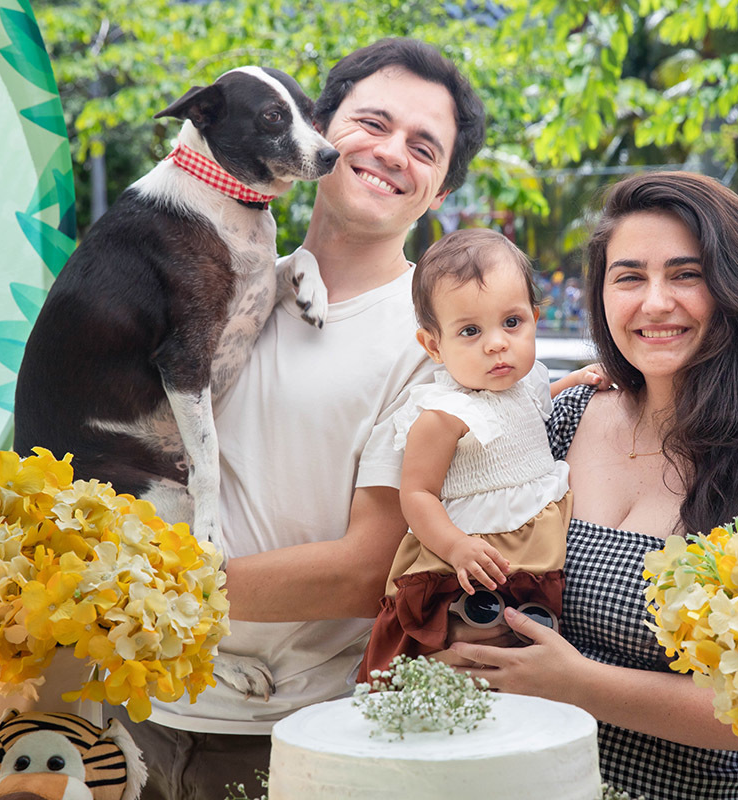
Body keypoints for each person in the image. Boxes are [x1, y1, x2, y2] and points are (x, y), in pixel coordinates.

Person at [104, 38, 486, 800]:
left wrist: (128, 594)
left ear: (440, 189)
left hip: (283, 738)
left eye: (423, 146)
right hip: (126, 710)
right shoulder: (202, 273)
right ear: (319, 124)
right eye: (370, 123)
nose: (388, 153)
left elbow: (361, 572)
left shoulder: (433, 346)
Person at [448, 171, 738, 800]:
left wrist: (580, 684)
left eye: (686, 274)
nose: (654, 302)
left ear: (736, 288)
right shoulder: (563, 421)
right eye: (629, 277)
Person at [357, 228, 605, 680]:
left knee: (527, 641)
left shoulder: (526, 382)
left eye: (512, 323)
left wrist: (574, 381)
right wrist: (455, 546)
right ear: (434, 346)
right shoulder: (442, 414)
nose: (497, 343)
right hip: (473, 552)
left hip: (532, 544)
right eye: (470, 331)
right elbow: (417, 495)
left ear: (533, 318)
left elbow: (526, 411)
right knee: (470, 645)